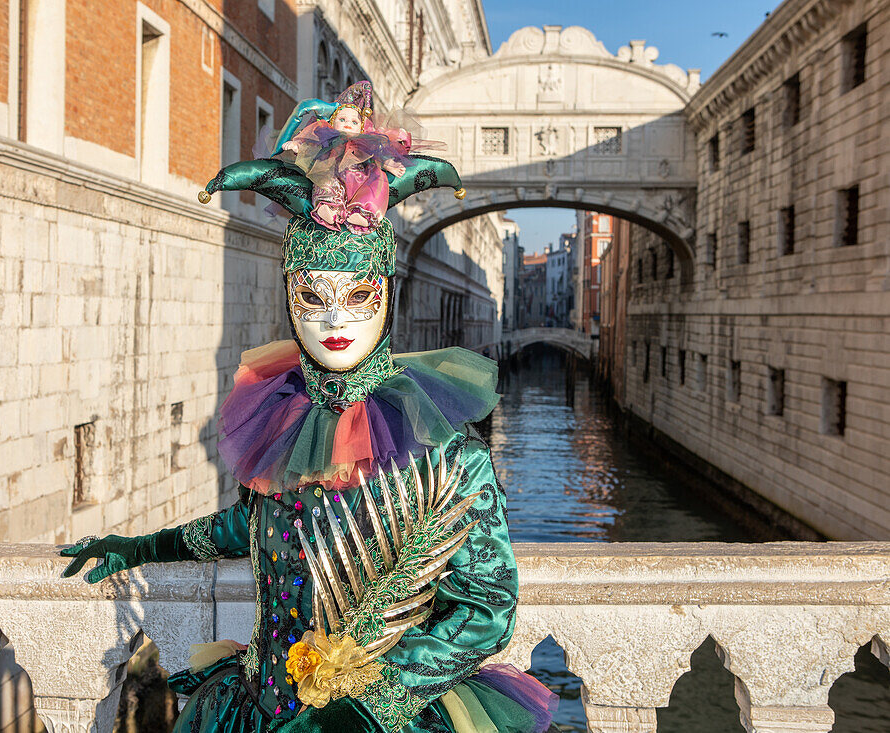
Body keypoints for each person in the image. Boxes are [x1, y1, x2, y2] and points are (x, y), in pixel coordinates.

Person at [61, 89, 558, 732]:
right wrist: (140, 546)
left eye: (357, 294)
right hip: (258, 710)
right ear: (291, 298)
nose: (335, 318)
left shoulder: (447, 456)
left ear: (385, 294)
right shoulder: (284, 429)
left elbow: (488, 608)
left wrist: (365, 702)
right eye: (312, 295)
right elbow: (252, 528)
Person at [270, 81, 426, 234]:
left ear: (362, 127)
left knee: (377, 183)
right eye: (342, 120)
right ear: (332, 122)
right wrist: (297, 146)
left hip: (359, 178)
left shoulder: (366, 143)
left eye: (354, 122)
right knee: (326, 182)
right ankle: (328, 207)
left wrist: (388, 164)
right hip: (332, 171)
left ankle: (362, 212)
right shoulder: (327, 139)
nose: (347, 124)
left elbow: (377, 155)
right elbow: (311, 145)